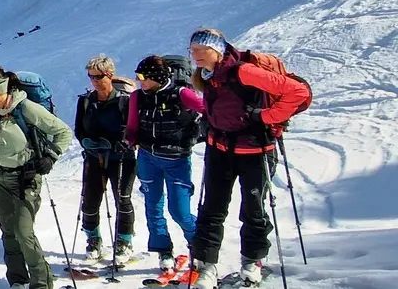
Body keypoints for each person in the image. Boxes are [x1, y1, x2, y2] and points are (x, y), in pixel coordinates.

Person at [187, 29, 311, 289]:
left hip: (255, 151)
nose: (195, 55)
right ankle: (207, 266)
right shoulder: (207, 76)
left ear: (217, 50)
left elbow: (298, 92)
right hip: (219, 149)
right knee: (211, 209)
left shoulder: (243, 71)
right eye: (192, 50)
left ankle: (252, 261)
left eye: (200, 49)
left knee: (253, 209)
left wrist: (266, 117)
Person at [0, 65, 72, 289]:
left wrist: (50, 156)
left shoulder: (26, 108)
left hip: (25, 179)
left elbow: (64, 132)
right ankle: (17, 280)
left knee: (23, 233)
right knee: (8, 232)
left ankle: (42, 284)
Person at [127, 55, 205, 274]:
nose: (140, 81)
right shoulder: (137, 97)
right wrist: (128, 140)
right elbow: (132, 126)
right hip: (147, 157)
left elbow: (208, 111)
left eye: (143, 77)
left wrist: (209, 132)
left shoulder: (181, 94)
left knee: (179, 210)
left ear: (158, 77)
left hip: (176, 160)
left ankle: (199, 243)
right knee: (153, 206)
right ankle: (164, 250)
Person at [74, 54, 137, 263]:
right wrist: (86, 142)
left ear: (110, 75)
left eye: (98, 76)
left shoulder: (124, 101)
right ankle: (93, 240)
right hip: (94, 157)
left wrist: (125, 143)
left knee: (122, 198)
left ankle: (124, 242)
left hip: (121, 158)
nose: (94, 81)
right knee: (90, 200)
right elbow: (79, 130)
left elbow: (134, 130)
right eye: (91, 76)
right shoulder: (85, 101)